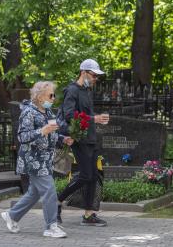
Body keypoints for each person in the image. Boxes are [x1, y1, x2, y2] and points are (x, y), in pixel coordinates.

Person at [1, 81, 74, 238]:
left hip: (45, 160)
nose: (53, 98)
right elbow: (22, 136)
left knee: (34, 193)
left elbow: (51, 134)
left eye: (54, 95)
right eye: (50, 95)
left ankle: (12, 215)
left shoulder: (48, 113)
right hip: (33, 160)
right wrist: (42, 131)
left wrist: (62, 138)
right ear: (40, 96)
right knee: (49, 190)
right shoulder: (28, 112)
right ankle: (50, 227)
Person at [57, 59, 109, 226]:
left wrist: (96, 120)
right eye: (94, 76)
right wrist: (94, 118)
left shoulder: (87, 90)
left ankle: (88, 215)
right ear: (84, 72)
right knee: (86, 175)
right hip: (80, 139)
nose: (95, 79)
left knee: (93, 176)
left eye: (96, 77)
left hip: (91, 138)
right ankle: (57, 201)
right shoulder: (71, 90)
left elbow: (86, 115)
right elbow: (69, 116)